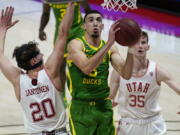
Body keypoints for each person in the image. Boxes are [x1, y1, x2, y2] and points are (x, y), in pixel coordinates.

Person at [0, 3, 74, 134]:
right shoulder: (50, 72)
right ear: (34, 60)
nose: (42, 54)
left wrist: (2, 30)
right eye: (39, 53)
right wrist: (71, 4)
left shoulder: (18, 80)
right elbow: (63, 34)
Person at [66, 10, 134, 135]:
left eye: (98, 20)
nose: (95, 23)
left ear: (102, 26)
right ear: (84, 26)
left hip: (103, 107)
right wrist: (108, 44)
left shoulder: (111, 48)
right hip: (82, 109)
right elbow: (87, 68)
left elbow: (126, 74)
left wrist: (131, 48)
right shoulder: (75, 44)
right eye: (91, 20)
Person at [110, 31, 180, 135]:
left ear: (148, 47)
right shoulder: (119, 71)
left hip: (153, 124)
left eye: (143, 43)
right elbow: (110, 97)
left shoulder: (157, 71)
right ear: (130, 47)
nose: (140, 46)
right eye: (136, 43)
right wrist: (109, 102)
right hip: (128, 124)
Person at [39, 0, 91, 93]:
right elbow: (46, 13)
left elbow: (88, 10)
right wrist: (41, 29)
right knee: (60, 65)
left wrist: (91, 26)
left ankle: (82, 93)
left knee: (80, 64)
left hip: (77, 32)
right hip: (61, 33)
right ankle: (61, 93)